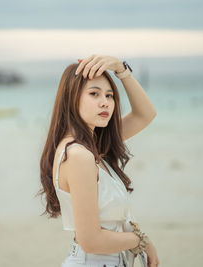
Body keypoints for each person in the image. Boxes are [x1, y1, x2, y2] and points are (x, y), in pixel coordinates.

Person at [38, 55, 160, 267]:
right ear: (71, 98)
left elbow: (145, 114)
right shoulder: (79, 155)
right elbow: (91, 240)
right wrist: (141, 241)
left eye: (110, 95)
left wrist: (121, 69)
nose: (105, 102)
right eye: (94, 94)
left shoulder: (92, 146)